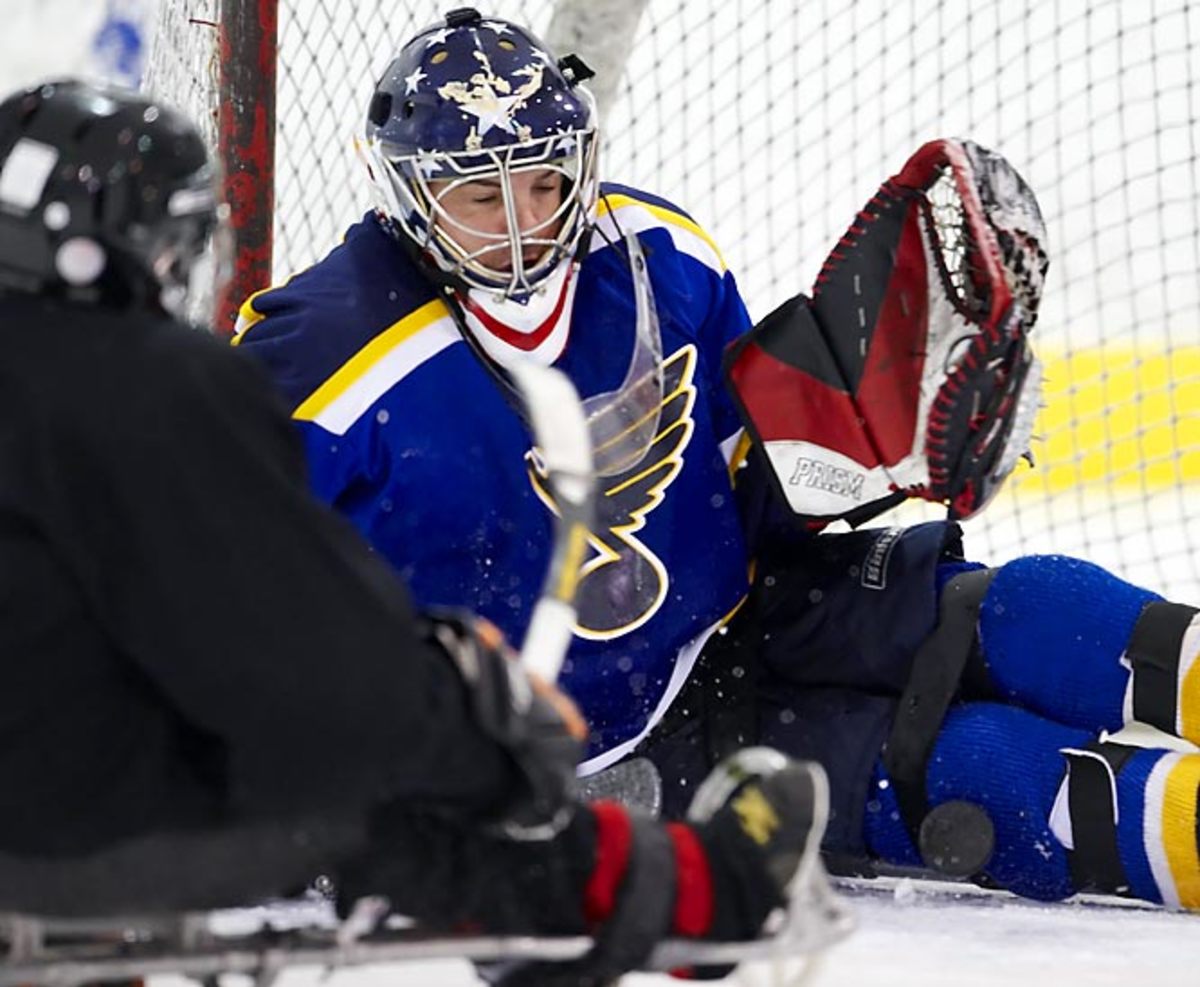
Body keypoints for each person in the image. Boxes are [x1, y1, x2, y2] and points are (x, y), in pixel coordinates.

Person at [232, 9, 1200, 910]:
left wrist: (859, 459)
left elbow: (747, 489)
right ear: (405, 189)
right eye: (481, 194)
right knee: (992, 771)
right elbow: (199, 597)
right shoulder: (315, 360)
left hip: (748, 614)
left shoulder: (659, 252)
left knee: (1040, 609)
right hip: (590, 755)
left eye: (544, 180)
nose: (526, 219)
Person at [0, 77, 837, 984]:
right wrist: (477, 729)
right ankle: (695, 896)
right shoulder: (154, 383)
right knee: (393, 800)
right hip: (57, 834)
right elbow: (287, 668)